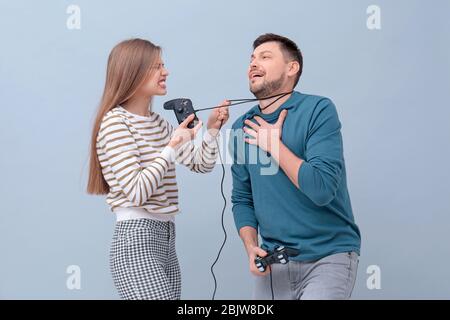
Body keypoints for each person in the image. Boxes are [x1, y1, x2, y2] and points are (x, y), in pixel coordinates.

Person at [87, 38, 229, 299]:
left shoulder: (159, 124)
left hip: (165, 237)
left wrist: (211, 131)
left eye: (163, 65)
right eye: (156, 66)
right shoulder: (115, 124)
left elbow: (202, 165)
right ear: (133, 72)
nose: (166, 72)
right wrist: (172, 147)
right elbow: (137, 192)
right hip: (136, 239)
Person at [229, 33, 361, 300]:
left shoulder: (318, 110)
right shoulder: (239, 128)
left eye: (265, 57)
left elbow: (322, 189)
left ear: (292, 68)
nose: (253, 63)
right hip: (274, 264)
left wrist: (273, 145)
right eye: (252, 58)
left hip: (328, 257)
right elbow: (242, 198)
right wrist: (251, 246)